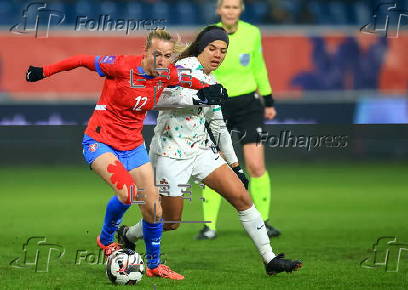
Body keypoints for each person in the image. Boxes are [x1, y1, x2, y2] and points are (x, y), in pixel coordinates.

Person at [25, 30, 227, 280]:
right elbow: (80, 60)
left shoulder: (167, 74)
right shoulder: (120, 66)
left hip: (132, 146)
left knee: (154, 210)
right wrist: (43, 71)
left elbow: (193, 81)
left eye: (166, 56)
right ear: (146, 51)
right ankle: (106, 239)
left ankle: (154, 265)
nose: (161, 61)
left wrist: (213, 89)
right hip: (100, 141)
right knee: (127, 193)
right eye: (156, 55)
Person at [117, 26, 302, 276]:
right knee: (171, 222)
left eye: (223, 51)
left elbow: (218, 126)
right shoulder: (181, 69)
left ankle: (270, 259)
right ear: (201, 48)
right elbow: (156, 100)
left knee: (242, 198)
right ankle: (128, 235)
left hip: (202, 151)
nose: (218, 54)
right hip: (171, 153)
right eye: (212, 48)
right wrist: (199, 98)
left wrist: (235, 166)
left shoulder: (213, 82)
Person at [197, 0, 281, 240]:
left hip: (248, 105)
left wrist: (269, 100)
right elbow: (199, 67)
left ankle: (262, 222)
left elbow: (258, 66)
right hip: (217, 106)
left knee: (255, 166)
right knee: (215, 167)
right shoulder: (208, 35)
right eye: (226, 7)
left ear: (240, 10)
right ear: (218, 10)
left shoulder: (253, 33)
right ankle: (209, 226)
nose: (230, 11)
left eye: (235, 7)